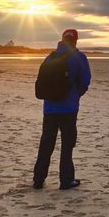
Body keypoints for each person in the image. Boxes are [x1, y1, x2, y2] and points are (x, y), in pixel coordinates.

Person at [33, 28, 91, 190]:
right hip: (69, 108)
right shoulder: (78, 57)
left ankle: (38, 179)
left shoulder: (50, 57)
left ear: (62, 39)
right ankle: (66, 181)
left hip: (49, 108)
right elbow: (85, 81)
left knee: (46, 144)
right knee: (67, 145)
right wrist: (75, 95)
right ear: (76, 40)